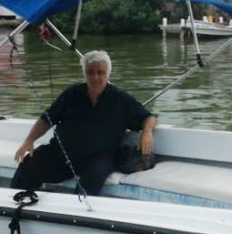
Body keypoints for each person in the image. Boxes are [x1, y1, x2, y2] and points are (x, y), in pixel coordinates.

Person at [11, 50, 157, 195]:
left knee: (92, 177)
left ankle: (75, 215)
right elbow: (46, 119)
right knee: (30, 162)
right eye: (90, 72)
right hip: (63, 154)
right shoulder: (71, 94)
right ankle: (15, 204)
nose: (95, 77)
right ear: (84, 74)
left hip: (99, 157)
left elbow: (149, 117)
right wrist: (29, 140)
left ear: (108, 74)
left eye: (100, 72)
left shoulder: (120, 99)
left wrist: (147, 133)